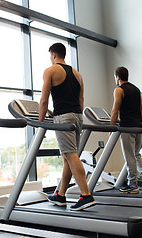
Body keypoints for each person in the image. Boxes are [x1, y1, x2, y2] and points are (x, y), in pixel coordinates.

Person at [39, 42, 95, 211]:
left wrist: (40, 125)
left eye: (50, 56)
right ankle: (60, 194)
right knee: (67, 157)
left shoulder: (50, 71)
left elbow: (44, 99)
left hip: (63, 117)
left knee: (70, 155)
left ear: (53, 55)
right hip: (77, 116)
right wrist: (81, 122)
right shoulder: (77, 74)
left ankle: (86, 194)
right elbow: (81, 100)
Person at [110, 66, 142, 194]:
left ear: (118, 77)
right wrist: (139, 124)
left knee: (130, 156)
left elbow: (115, 110)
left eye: (115, 77)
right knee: (136, 154)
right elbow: (141, 109)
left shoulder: (119, 90)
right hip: (138, 126)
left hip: (127, 127)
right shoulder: (136, 89)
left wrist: (111, 127)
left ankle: (133, 185)